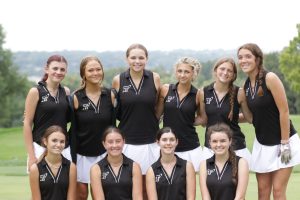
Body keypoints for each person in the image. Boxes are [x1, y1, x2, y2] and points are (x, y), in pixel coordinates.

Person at [237, 43, 300, 200]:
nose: (243, 60)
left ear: (257, 59)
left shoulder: (270, 78)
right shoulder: (245, 87)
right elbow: (252, 117)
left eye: (247, 56)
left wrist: (285, 144)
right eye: (240, 57)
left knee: (278, 191)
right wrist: (229, 117)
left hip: (284, 143)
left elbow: (284, 111)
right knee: (262, 192)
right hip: (262, 145)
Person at [112, 43, 161, 198]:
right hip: (127, 141)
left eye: (141, 57)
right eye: (133, 57)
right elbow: (117, 111)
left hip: (151, 141)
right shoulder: (118, 80)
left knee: (148, 188)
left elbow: (158, 107)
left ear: (146, 59)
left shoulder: (155, 77)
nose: (137, 61)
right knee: (128, 187)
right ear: (127, 59)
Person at [69, 56, 116, 200]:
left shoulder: (111, 95)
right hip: (81, 154)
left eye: (98, 69)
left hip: (104, 154)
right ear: (83, 74)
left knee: (99, 195)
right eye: (90, 70)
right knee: (81, 194)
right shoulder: (75, 97)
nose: (95, 73)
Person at [199, 57, 253, 164]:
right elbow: (204, 121)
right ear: (215, 70)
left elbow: (249, 118)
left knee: (237, 180)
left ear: (233, 75)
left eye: (229, 71)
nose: (225, 72)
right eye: (222, 69)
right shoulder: (203, 92)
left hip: (236, 146)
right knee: (209, 180)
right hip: (211, 146)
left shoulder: (239, 93)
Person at [23, 54, 71, 172]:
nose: (58, 72)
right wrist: (32, 155)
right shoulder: (35, 91)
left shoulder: (66, 91)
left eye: (62, 69)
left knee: (64, 188)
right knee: (41, 189)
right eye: (55, 68)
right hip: (39, 147)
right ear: (47, 69)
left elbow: (66, 118)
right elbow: (27, 123)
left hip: (62, 148)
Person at [156, 57, 204, 172]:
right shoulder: (165, 89)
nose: (182, 75)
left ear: (194, 73)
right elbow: (157, 115)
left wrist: (185, 120)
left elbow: (203, 118)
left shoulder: (198, 94)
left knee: (189, 184)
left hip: (190, 146)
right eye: (180, 71)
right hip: (168, 145)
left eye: (187, 72)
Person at [90, 127, 143, 200]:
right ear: (104, 144)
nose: (114, 145)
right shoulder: (96, 169)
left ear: (123, 142)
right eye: (110, 142)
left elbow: (137, 198)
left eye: (118, 141)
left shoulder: (135, 167)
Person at [199, 123, 249, 200]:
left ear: (230, 141)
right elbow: (205, 197)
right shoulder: (204, 164)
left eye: (223, 141)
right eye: (214, 141)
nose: (218, 145)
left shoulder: (241, 163)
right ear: (209, 142)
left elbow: (240, 197)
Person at [146, 127, 196, 200]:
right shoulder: (151, 171)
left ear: (177, 142)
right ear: (158, 142)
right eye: (164, 140)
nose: (168, 143)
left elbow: (191, 198)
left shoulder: (187, 166)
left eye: (172, 140)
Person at [29, 125, 77, 200]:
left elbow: (71, 198)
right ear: (45, 141)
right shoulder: (35, 169)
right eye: (54, 140)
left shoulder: (71, 167)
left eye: (62, 141)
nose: (58, 145)